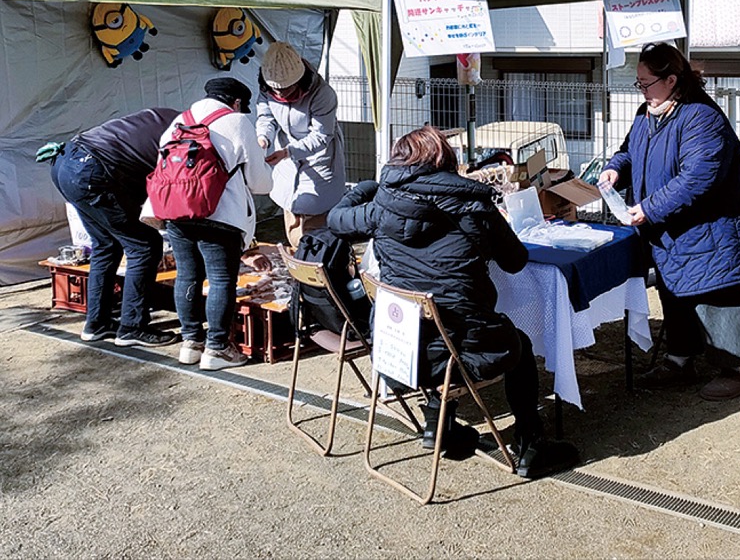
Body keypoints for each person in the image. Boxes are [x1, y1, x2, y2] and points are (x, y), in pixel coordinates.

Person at [326, 125, 578, 478]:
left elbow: (336, 219)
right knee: (515, 342)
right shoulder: (472, 205)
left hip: (401, 351)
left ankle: (438, 424)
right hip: (462, 348)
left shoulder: (382, 207)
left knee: (441, 323)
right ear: (447, 162)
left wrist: (369, 187)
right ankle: (530, 444)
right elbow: (515, 261)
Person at [599, 41, 740, 401]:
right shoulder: (647, 113)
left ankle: (736, 369)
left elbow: (698, 177)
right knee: (677, 296)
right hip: (671, 230)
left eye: (646, 83)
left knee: (719, 297)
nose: (641, 90)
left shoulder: (702, 117)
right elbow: (629, 151)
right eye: (638, 83)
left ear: (671, 80)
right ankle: (680, 359)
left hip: (713, 230)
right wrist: (614, 171)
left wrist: (649, 208)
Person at [144, 78, 274, 371]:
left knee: (187, 276)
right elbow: (260, 183)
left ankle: (191, 343)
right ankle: (217, 347)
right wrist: (267, 162)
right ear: (237, 102)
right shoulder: (237, 121)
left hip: (174, 210)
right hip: (218, 214)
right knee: (220, 280)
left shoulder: (179, 122)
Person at [43, 108, 180, 347]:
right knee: (145, 246)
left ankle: (97, 323)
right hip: (91, 170)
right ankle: (132, 327)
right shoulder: (186, 137)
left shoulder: (168, 117)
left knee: (106, 245)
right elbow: (171, 188)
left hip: (66, 162)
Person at [254, 41, 346, 247]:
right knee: (290, 204)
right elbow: (265, 117)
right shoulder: (266, 89)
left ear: (299, 80)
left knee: (316, 215)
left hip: (319, 155)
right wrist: (263, 138)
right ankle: (299, 254)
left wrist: (289, 152)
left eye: (285, 88)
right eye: (274, 90)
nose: (279, 94)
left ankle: (316, 260)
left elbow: (321, 136)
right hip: (285, 153)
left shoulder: (323, 94)